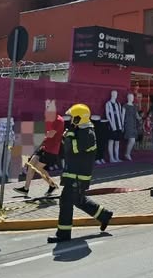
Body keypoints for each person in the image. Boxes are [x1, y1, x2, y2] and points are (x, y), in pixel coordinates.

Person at [47, 103, 114, 244]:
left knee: (66, 201)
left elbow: (74, 150)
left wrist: (69, 136)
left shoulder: (87, 133)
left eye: (72, 117)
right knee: (78, 200)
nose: (70, 120)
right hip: (75, 174)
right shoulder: (81, 130)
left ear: (79, 119)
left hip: (77, 176)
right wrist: (69, 135)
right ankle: (104, 215)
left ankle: (63, 234)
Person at [13, 110, 64, 198]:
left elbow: (50, 134)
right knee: (31, 165)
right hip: (44, 147)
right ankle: (26, 189)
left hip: (52, 150)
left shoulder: (59, 121)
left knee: (37, 168)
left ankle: (52, 185)